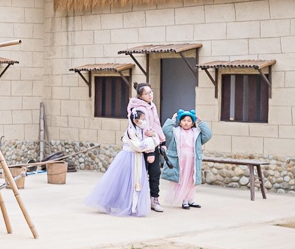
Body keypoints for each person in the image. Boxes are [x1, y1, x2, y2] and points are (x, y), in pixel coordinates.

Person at [85, 109, 157, 217]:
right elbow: (138, 146)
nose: (144, 122)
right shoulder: (131, 132)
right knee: (124, 181)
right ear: (135, 120)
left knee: (134, 182)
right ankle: (123, 205)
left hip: (136, 158)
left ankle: (133, 205)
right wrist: (154, 138)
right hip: (128, 158)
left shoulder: (139, 130)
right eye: (143, 119)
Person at [162, 109, 213, 209]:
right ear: (180, 122)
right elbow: (165, 130)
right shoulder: (175, 132)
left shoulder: (196, 133)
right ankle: (184, 200)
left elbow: (208, 135)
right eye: (184, 120)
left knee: (191, 179)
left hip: (192, 160)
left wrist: (201, 123)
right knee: (182, 179)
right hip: (181, 160)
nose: (186, 123)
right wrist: (172, 120)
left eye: (189, 121)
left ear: (193, 123)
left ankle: (190, 199)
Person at [128, 83, 166, 212]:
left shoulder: (151, 106)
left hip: (152, 143)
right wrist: (150, 152)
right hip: (142, 147)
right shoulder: (139, 109)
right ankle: (139, 201)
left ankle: (154, 199)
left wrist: (162, 142)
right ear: (140, 96)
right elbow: (143, 131)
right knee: (141, 175)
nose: (150, 95)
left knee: (155, 173)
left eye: (151, 92)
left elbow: (156, 125)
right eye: (147, 93)